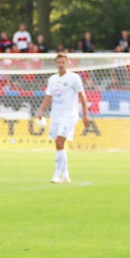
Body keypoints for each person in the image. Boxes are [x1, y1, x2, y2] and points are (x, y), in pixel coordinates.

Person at [36, 53, 90, 183]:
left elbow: (82, 96)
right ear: (56, 64)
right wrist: (41, 110)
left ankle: (56, 174)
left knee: (60, 140)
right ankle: (66, 175)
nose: (61, 64)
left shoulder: (74, 78)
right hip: (56, 115)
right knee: (58, 143)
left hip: (69, 115)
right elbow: (48, 96)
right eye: (58, 62)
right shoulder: (52, 79)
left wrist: (85, 114)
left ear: (67, 63)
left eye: (63, 62)